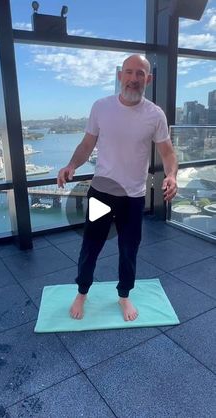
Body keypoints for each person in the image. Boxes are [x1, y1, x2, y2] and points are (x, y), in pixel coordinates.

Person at [57, 54, 178, 321]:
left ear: (149, 79)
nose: (134, 79)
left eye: (140, 74)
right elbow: (86, 145)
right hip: (101, 194)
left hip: (133, 198)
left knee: (128, 250)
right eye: (129, 72)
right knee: (90, 246)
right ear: (120, 75)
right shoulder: (101, 107)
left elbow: (168, 153)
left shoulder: (155, 115)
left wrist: (172, 176)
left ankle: (124, 296)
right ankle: (82, 292)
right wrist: (71, 165)